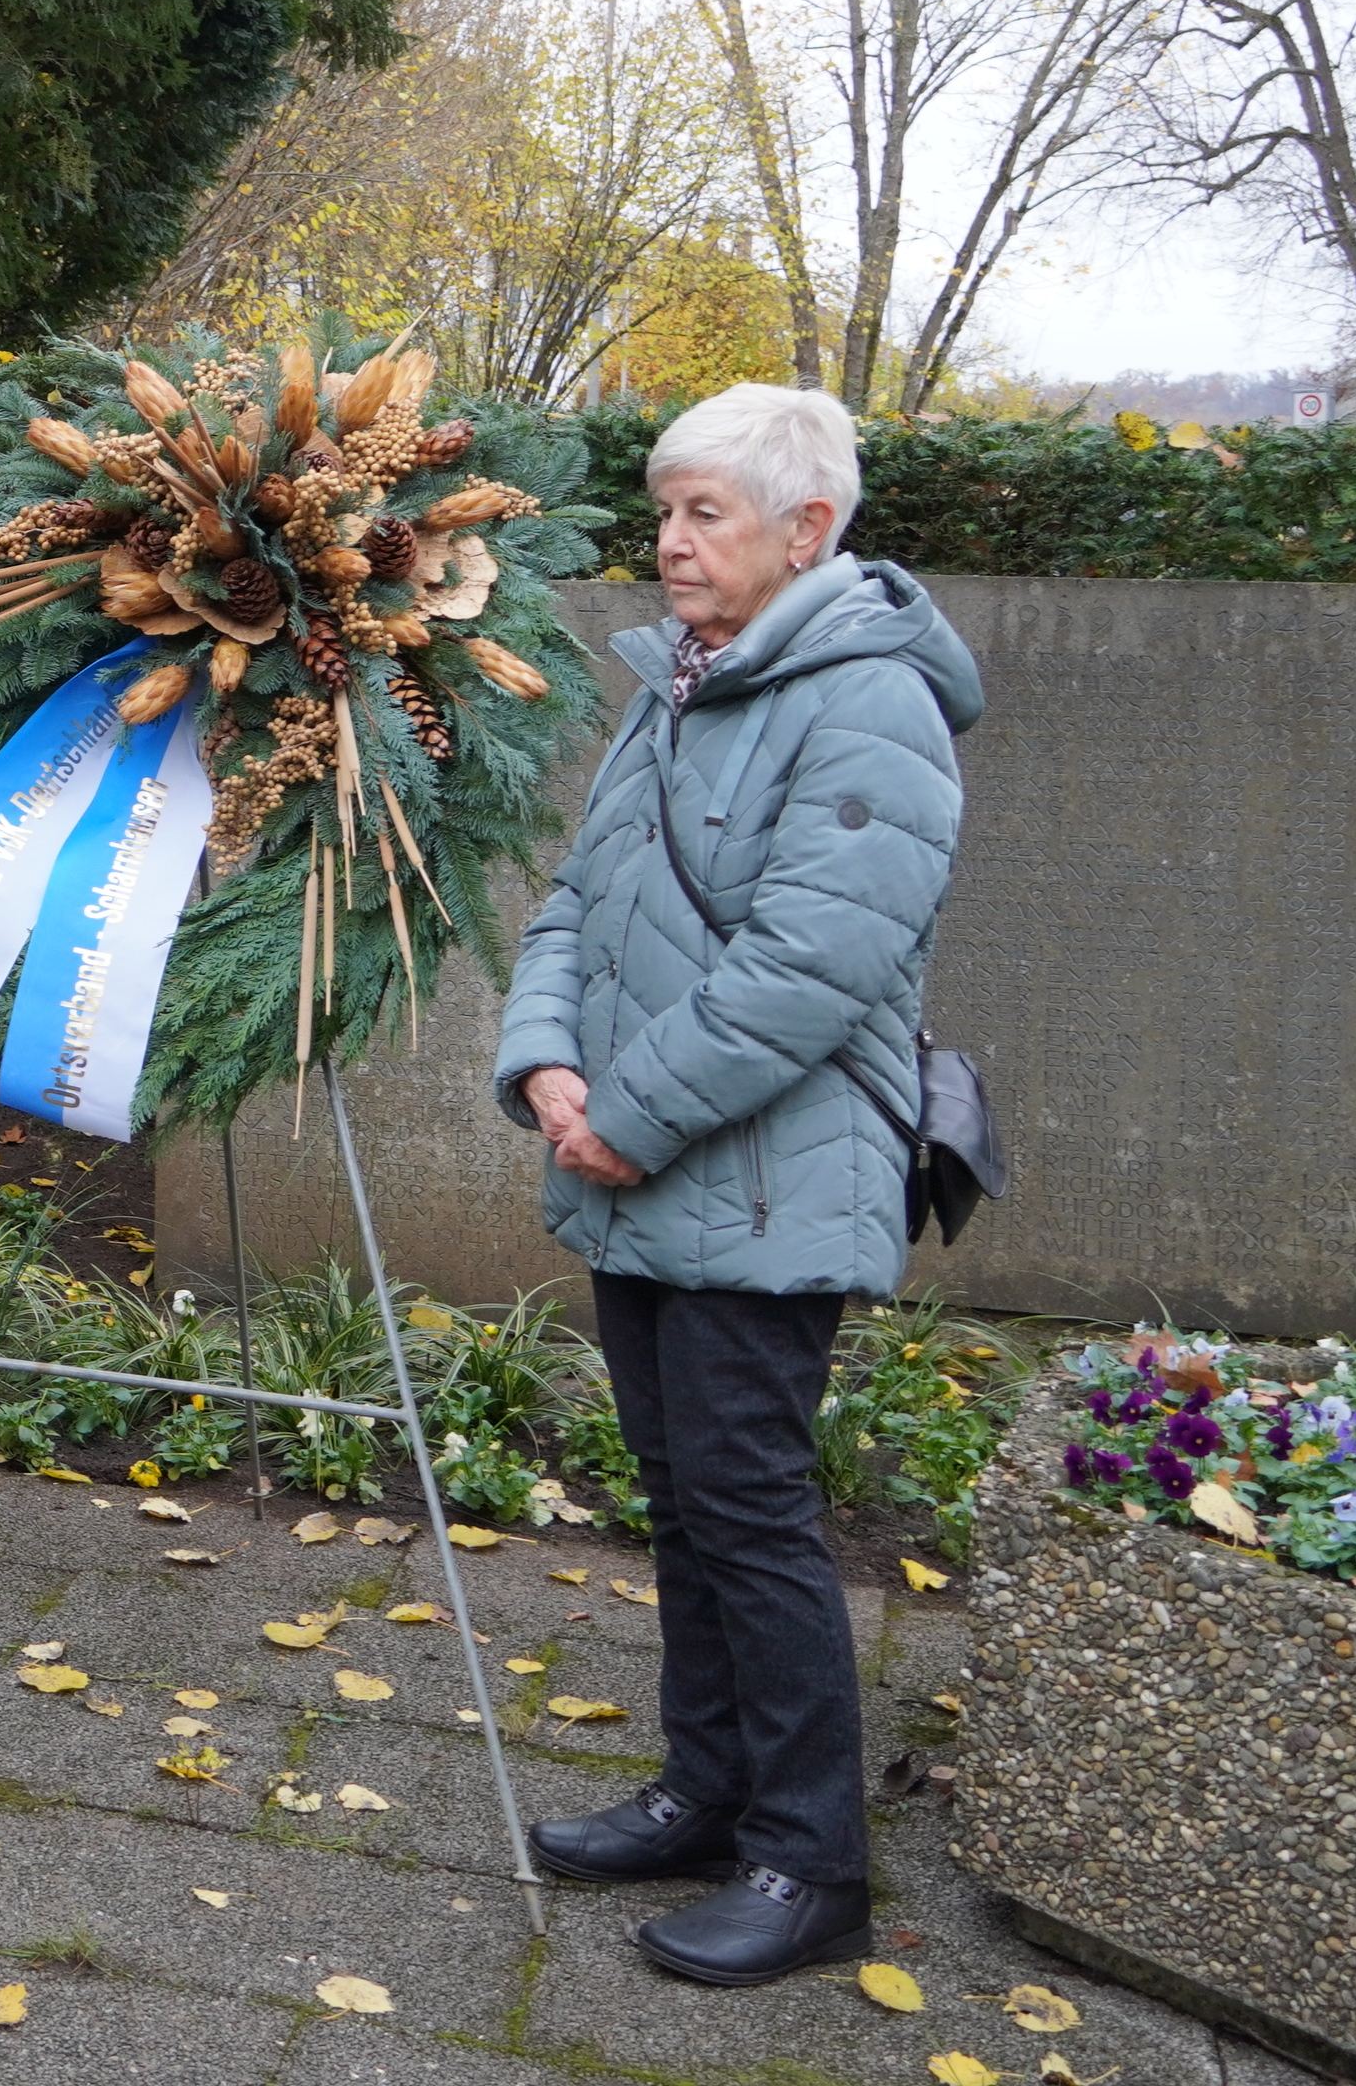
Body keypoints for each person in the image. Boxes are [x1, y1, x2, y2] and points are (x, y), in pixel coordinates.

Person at [492, 382, 980, 1988]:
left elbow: (810, 965)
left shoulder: (870, 703)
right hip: (640, 1162)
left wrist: (625, 1110)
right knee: (684, 1501)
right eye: (668, 510)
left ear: (809, 530)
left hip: (762, 1179)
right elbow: (583, 893)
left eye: (706, 513)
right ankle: (709, 1790)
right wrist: (546, 1061)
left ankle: (807, 1861)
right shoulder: (679, 684)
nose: (671, 541)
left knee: (753, 1512)